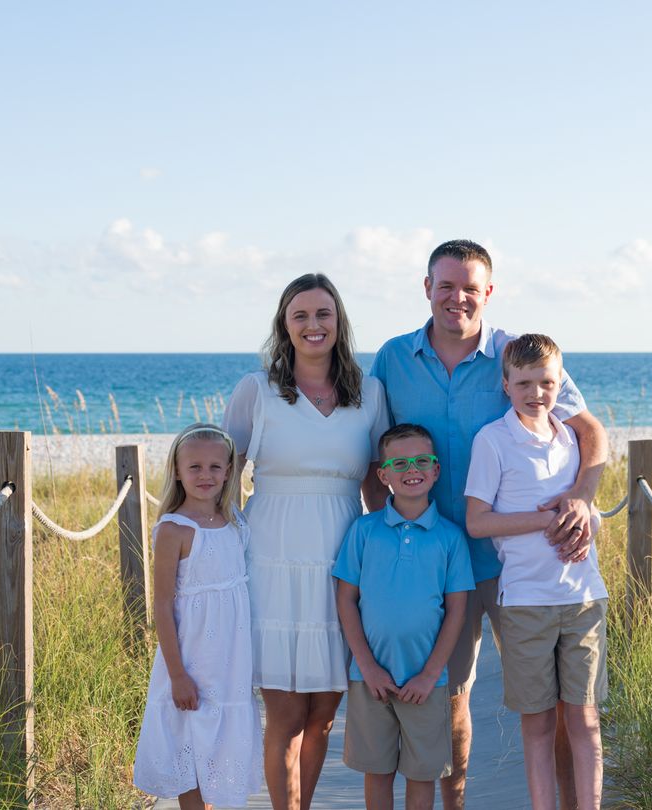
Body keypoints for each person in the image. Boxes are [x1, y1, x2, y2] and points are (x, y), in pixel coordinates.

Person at [367, 239, 608, 809]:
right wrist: (382, 540)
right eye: (446, 286)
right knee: (452, 697)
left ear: (488, 293)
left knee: (557, 705)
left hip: (530, 560)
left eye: (470, 287)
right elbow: (372, 456)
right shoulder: (392, 359)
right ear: (427, 288)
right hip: (436, 559)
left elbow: (589, 431)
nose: (458, 298)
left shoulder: (518, 357)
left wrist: (581, 498)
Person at [223, 273, 390, 810]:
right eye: (301, 316)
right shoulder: (257, 391)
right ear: (285, 326)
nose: (313, 325)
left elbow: (374, 479)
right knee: (287, 715)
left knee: (323, 715)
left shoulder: (370, 392)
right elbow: (222, 475)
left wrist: (391, 552)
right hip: (271, 558)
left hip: (342, 559)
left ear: (338, 321)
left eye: (323, 314)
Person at [465, 334, 608, 810]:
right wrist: (549, 519)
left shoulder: (571, 440)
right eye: (524, 382)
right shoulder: (493, 441)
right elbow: (477, 521)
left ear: (559, 385)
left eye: (547, 383)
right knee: (539, 723)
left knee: (585, 720)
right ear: (505, 384)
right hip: (526, 602)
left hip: (584, 598)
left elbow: (588, 511)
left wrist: (582, 514)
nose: (536, 393)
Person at [334, 423, 475, 810]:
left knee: (421, 773)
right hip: (370, 677)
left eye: (421, 461)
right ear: (383, 475)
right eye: (399, 463)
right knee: (376, 771)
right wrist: (366, 665)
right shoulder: (364, 531)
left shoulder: (450, 537)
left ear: (435, 470)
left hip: (426, 682)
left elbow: (456, 610)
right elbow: (346, 600)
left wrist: (430, 674)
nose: (411, 469)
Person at [133, 423, 263, 809]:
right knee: (188, 739)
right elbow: (162, 605)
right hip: (191, 660)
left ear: (228, 472)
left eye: (214, 467)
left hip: (230, 663)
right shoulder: (175, 529)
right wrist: (177, 675)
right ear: (176, 470)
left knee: (222, 743)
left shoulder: (236, 522)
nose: (205, 475)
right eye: (194, 467)